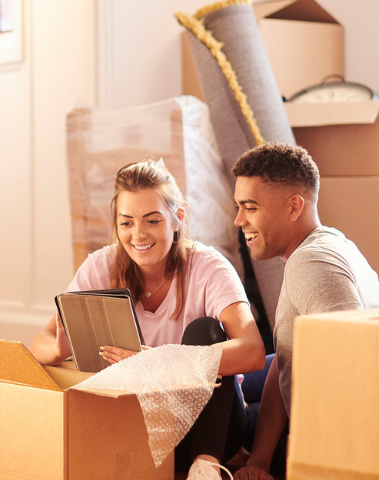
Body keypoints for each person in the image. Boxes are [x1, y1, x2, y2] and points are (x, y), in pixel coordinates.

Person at [30, 160, 266, 478]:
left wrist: (161, 360)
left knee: (206, 329)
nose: (138, 234)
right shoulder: (99, 267)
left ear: (177, 219)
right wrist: (59, 350)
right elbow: (38, 345)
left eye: (152, 220)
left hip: (208, 429)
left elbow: (252, 351)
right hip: (137, 428)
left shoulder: (209, 268)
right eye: (126, 223)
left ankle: (206, 467)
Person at [231, 143, 379, 480]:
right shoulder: (336, 243)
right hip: (311, 414)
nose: (239, 219)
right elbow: (288, 360)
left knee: (229, 408)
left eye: (250, 207)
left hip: (324, 443)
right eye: (239, 207)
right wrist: (257, 459)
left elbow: (352, 369)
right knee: (253, 377)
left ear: (294, 207)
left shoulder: (310, 262)